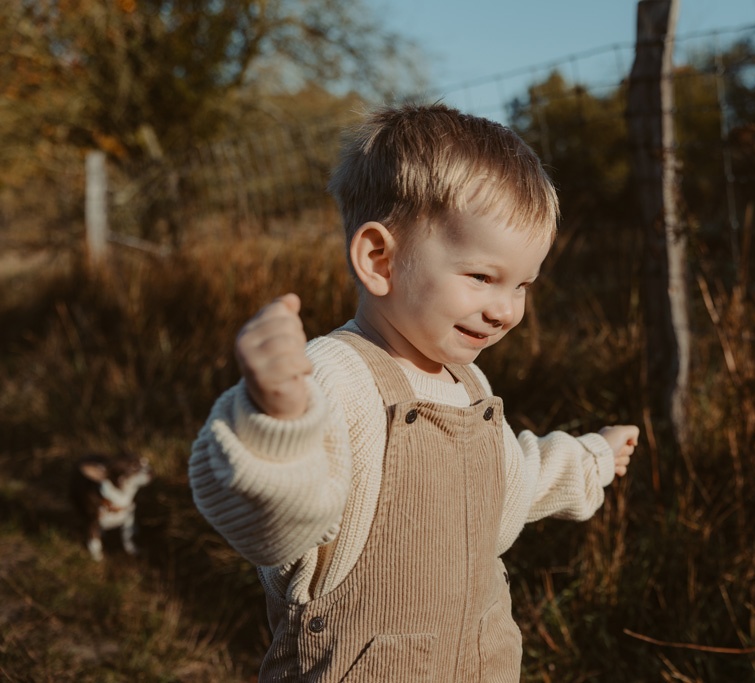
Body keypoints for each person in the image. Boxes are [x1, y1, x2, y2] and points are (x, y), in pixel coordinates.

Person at [189, 103, 639, 682]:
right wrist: (275, 419)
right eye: (482, 276)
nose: (505, 309)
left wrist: (590, 457)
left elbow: (507, 485)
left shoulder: (468, 384)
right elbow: (274, 529)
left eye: (523, 284)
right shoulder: (335, 379)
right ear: (380, 259)